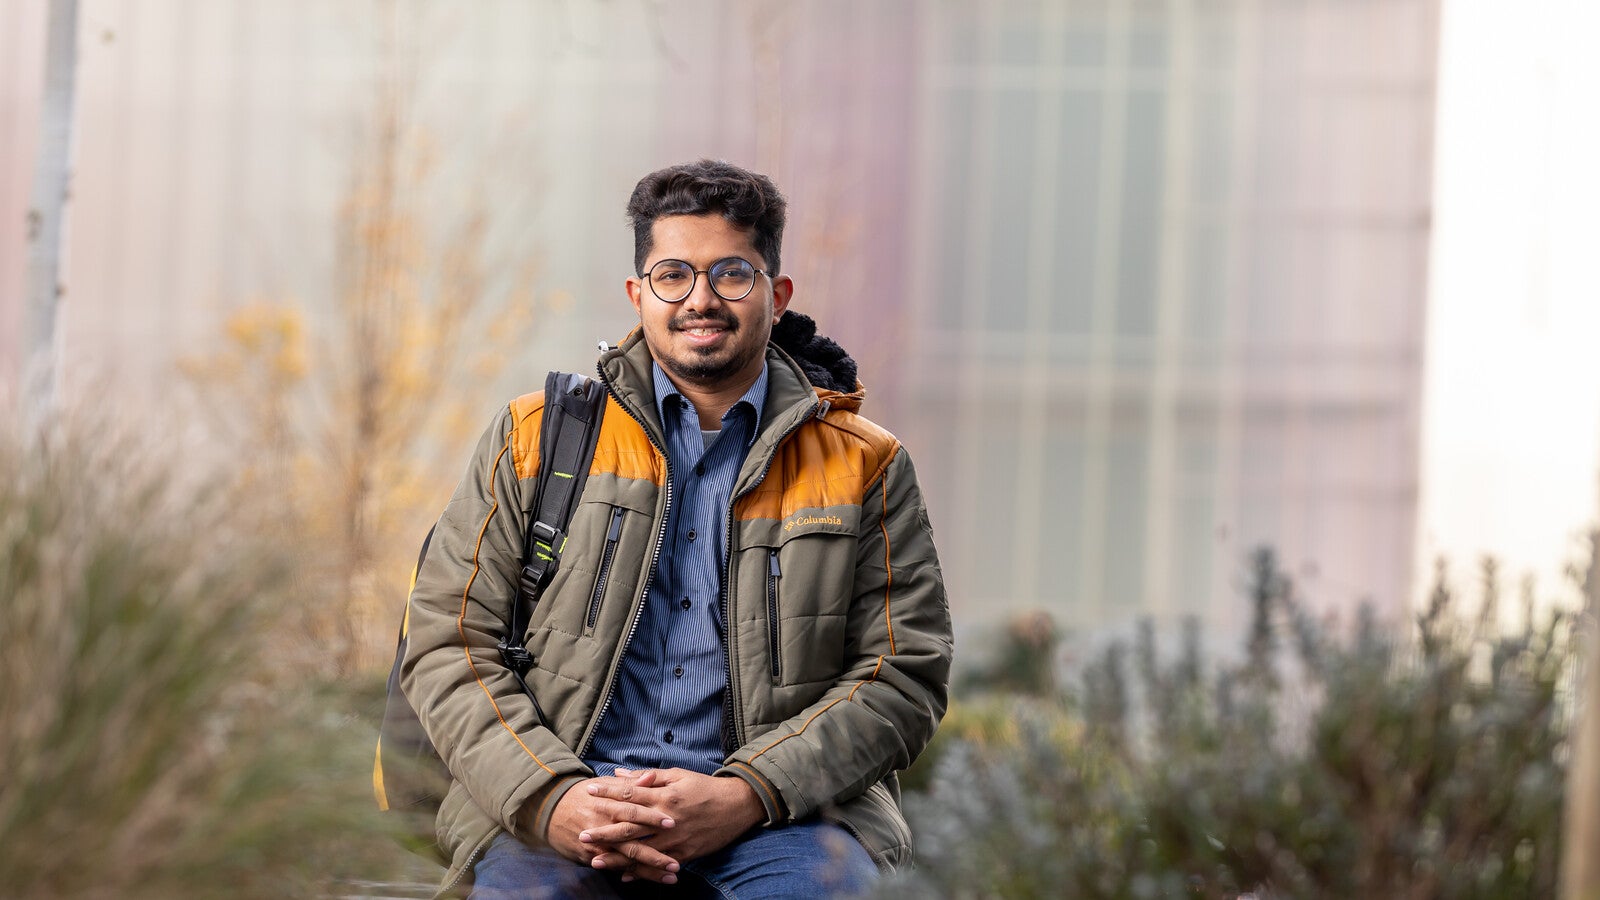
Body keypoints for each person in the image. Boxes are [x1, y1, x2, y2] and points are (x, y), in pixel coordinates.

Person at [402, 159, 953, 899]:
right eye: (673, 276)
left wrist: (747, 793)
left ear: (776, 293)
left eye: (731, 273)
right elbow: (448, 642)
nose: (700, 299)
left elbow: (903, 673)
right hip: (568, 809)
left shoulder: (865, 465)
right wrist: (551, 798)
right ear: (638, 294)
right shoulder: (535, 439)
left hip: (782, 824)